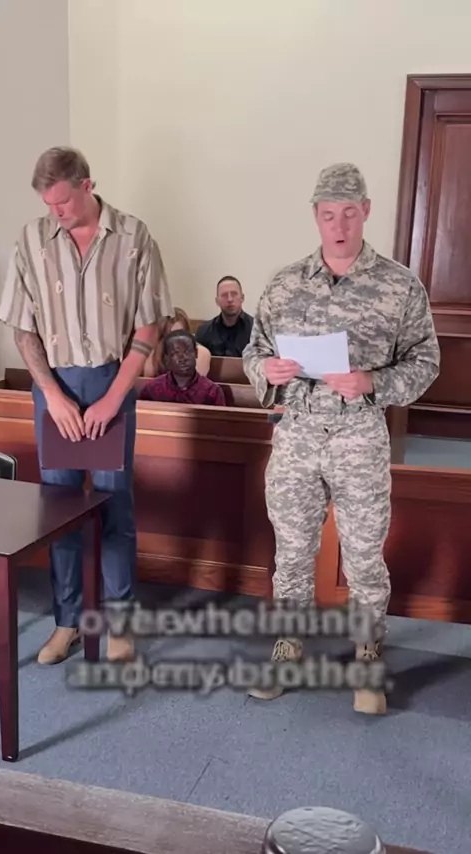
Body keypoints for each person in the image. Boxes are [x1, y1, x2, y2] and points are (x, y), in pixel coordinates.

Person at [242, 162, 440, 713]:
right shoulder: (285, 283)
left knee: (363, 555)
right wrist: (266, 371)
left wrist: (373, 381)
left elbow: (426, 361)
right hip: (297, 434)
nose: (339, 225)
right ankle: (288, 646)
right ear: (315, 216)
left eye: (349, 213)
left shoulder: (399, 285)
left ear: (366, 212)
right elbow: (255, 349)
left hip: (359, 434)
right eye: (329, 214)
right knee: (291, 552)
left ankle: (368, 654)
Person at [0, 146, 173, 665]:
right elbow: (22, 328)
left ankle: (120, 624)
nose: (56, 213)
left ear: (87, 185)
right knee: (59, 510)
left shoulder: (134, 237)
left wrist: (114, 399)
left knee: (116, 506)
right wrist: (52, 396)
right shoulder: (31, 240)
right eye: (48, 205)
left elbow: (149, 326)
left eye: (64, 202)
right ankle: (67, 623)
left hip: (111, 382)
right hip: (54, 389)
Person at [140, 330, 226, 406]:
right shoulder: (152, 389)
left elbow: (220, 418)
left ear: (196, 353)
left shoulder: (212, 391)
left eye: (187, 352)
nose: (182, 358)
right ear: (166, 359)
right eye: (175, 353)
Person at [142, 306, 211, 377]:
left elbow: (190, 380)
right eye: (170, 335)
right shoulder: (154, 352)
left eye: (180, 333)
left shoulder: (201, 352)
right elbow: (148, 378)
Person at [195, 275, 253, 357]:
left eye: (234, 294)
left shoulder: (257, 330)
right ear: (217, 301)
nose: (230, 299)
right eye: (224, 295)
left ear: (242, 298)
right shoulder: (204, 332)